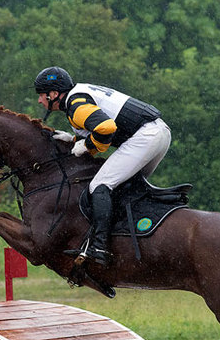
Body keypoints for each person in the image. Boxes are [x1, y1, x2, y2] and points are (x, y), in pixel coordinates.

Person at [34, 66, 171, 266]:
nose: (39, 100)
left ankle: (100, 246)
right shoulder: (79, 95)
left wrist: (87, 145)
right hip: (158, 132)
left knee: (100, 185)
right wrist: (74, 139)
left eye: (41, 95)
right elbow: (101, 127)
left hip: (145, 136)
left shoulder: (75, 102)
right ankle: (130, 237)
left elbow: (106, 128)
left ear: (54, 94)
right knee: (125, 187)